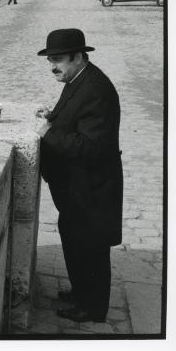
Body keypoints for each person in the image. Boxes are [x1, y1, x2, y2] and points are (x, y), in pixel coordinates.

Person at [35, 29, 123, 323]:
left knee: (91, 248)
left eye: (58, 60)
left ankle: (93, 308)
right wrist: (53, 117)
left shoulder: (95, 89)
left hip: (92, 188)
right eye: (50, 60)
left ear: (78, 56)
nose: (52, 67)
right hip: (77, 187)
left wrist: (49, 133)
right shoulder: (78, 79)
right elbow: (77, 120)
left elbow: (92, 146)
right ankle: (81, 291)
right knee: (75, 240)